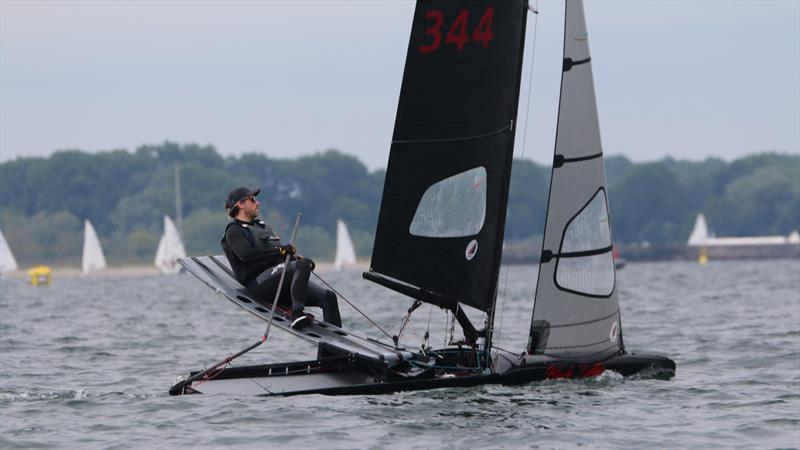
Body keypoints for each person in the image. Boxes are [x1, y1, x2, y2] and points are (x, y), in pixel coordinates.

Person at [220, 186, 342, 330]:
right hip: (258, 284)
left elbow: (276, 256)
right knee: (300, 266)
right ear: (240, 204)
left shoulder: (262, 226)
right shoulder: (234, 230)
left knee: (328, 297)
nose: (257, 203)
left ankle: (337, 344)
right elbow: (245, 255)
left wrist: (293, 258)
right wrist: (281, 251)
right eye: (252, 199)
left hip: (278, 279)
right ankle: (297, 314)